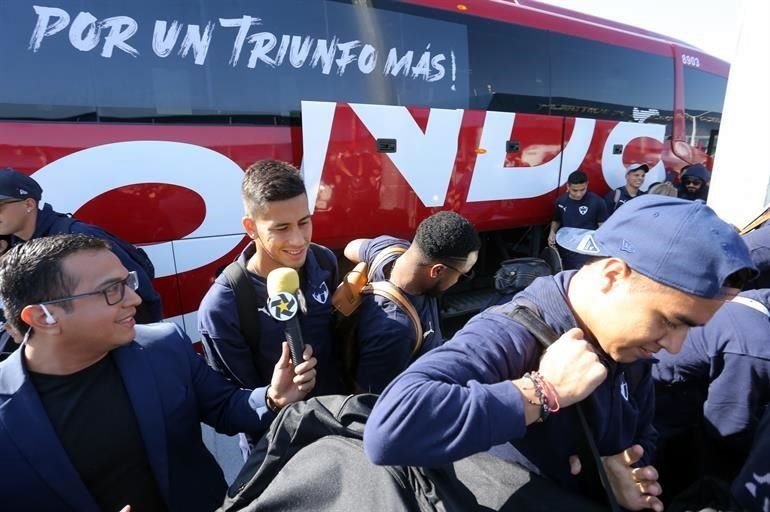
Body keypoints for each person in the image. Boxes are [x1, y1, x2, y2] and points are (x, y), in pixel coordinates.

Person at [364, 195, 756, 512]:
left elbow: (642, 432)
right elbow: (391, 428)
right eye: (671, 321)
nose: (675, 345)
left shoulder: (632, 351)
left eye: (690, 328)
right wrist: (542, 392)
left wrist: (617, 473)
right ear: (612, 276)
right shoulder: (512, 332)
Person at [0, 234, 318, 512]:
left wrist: (273, 398)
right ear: (43, 316)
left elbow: (224, 406)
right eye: (112, 291)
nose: (135, 300)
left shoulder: (164, 346)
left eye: (129, 283)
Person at [197, 160, 340, 423]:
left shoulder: (323, 262)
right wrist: (273, 400)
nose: (298, 240)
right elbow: (226, 404)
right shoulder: (223, 305)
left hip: (336, 426)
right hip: (277, 445)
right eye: (281, 228)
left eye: (304, 222)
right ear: (251, 228)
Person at [0, 167, 161, 323]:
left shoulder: (77, 238)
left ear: (29, 204)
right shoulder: (13, 246)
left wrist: (138, 344)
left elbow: (140, 292)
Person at [343, 211, 480, 393]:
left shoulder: (388, 248)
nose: (457, 283)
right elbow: (369, 402)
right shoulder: (394, 331)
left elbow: (350, 247)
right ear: (437, 271)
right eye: (463, 276)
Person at [548, 170, 609, 269]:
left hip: (587, 250)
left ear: (587, 185)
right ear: (568, 186)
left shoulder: (598, 202)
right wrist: (552, 232)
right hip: (567, 247)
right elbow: (556, 220)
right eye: (575, 190)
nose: (579, 194)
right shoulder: (560, 201)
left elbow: (603, 226)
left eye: (582, 190)